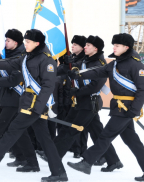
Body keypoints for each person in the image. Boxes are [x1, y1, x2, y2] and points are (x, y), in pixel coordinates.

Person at [0, 29, 68, 182]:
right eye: (25, 41)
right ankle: (59, 172)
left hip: (35, 105)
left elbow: (48, 87)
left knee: (13, 130)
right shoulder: (26, 58)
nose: (25, 44)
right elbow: (8, 63)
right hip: (27, 102)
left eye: (28, 42)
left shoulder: (47, 60)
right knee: (45, 139)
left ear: (37, 43)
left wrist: (37, 107)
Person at [67, 33, 144, 182]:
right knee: (131, 140)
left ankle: (86, 162)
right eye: (113, 45)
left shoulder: (136, 65)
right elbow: (97, 72)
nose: (113, 48)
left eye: (117, 45)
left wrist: (134, 110)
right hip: (119, 107)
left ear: (126, 47)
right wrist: (78, 75)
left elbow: (143, 90)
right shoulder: (114, 64)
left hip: (126, 108)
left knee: (106, 135)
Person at [51, 36, 122, 170]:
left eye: (88, 45)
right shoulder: (85, 60)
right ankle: (113, 160)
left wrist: (76, 92)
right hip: (80, 102)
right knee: (96, 132)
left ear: (95, 48)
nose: (85, 47)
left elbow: (95, 86)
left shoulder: (100, 64)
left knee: (71, 129)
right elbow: (72, 70)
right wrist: (67, 63)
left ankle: (54, 156)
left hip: (89, 103)